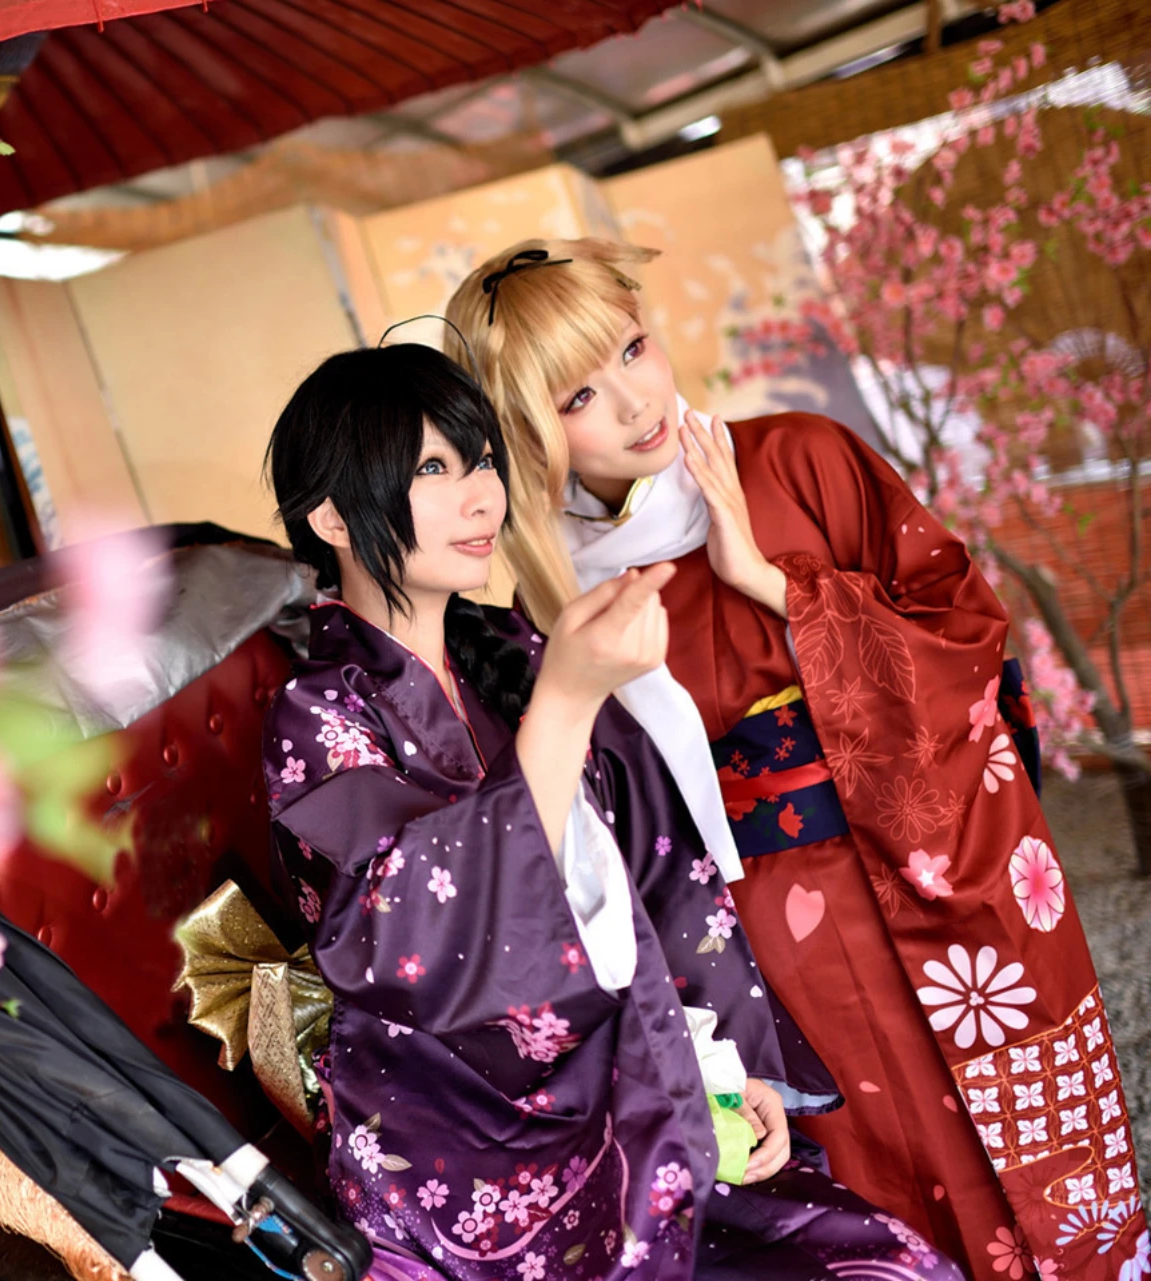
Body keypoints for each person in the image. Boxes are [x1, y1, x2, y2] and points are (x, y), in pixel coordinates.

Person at [444, 237, 1147, 1281]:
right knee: (875, 1184)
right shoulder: (551, 595)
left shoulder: (801, 460)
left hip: (935, 866)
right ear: (525, 430)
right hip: (763, 928)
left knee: (1030, 1156)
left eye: (634, 348)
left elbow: (966, 639)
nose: (636, 401)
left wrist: (777, 585)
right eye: (579, 396)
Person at [261, 342, 963, 1281]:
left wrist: (730, 1062)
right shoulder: (319, 715)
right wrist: (562, 706)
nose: (480, 496)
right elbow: (406, 934)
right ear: (334, 517)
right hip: (472, 1145)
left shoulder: (509, 651)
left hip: (641, 1078)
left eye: (480, 460)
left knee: (889, 1264)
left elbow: (662, 864)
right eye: (432, 468)